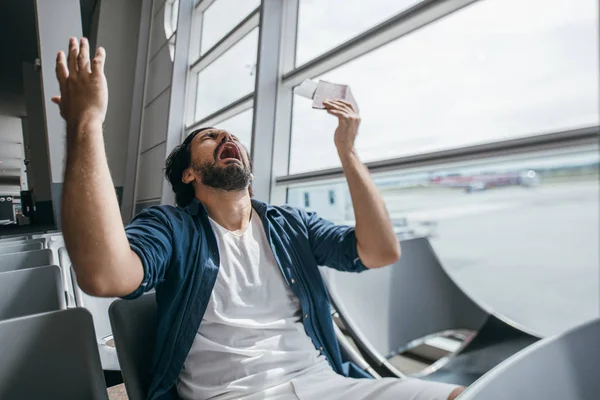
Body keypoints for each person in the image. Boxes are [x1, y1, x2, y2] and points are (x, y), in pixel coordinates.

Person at [53, 37, 465, 400]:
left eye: (231, 136)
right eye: (209, 137)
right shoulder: (173, 228)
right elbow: (105, 276)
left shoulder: (290, 224)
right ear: (189, 174)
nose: (227, 137)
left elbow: (379, 252)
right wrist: (86, 123)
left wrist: (347, 151)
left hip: (326, 383)